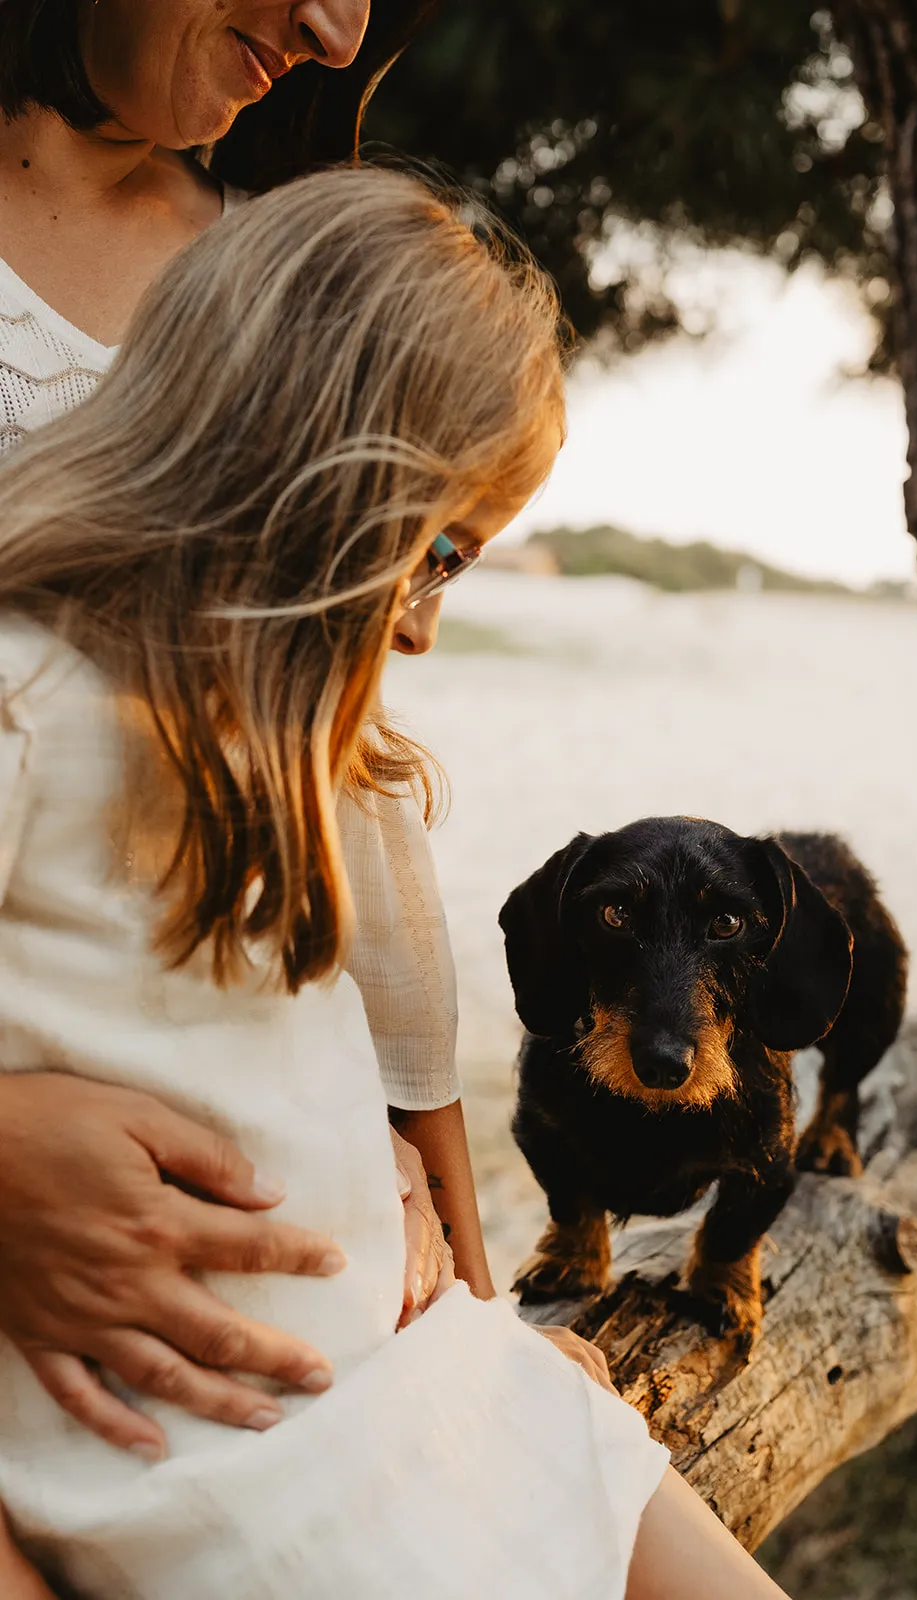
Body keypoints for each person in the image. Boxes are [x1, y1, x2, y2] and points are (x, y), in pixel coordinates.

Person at [0, 162, 789, 1600]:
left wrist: (459, 1298)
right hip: (234, 1466)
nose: (420, 631)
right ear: (299, 456)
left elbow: (312, 1067)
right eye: (431, 554)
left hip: (395, 1373)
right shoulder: (25, 708)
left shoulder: (274, 755)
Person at [0, 0, 493, 1462]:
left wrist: (464, 1285)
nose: (338, 34)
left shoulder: (284, 274)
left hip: (218, 1204)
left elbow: (345, 781)